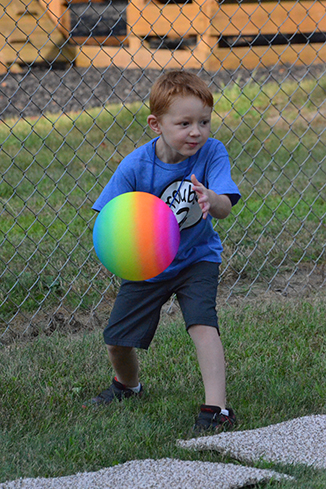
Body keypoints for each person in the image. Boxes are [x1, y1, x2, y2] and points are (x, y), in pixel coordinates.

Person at [84, 70, 241, 434]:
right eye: (184, 123)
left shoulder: (212, 153)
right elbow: (109, 218)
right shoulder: (135, 166)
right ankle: (127, 386)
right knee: (117, 339)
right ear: (156, 124)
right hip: (148, 265)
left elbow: (224, 206)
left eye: (204, 121)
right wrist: (122, 247)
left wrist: (211, 199)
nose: (196, 132)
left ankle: (216, 408)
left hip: (197, 257)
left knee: (204, 326)